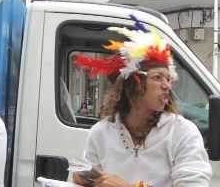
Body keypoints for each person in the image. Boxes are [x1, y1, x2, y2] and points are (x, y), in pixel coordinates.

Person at [72, 16, 212, 187]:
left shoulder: (182, 132)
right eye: (157, 77)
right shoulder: (100, 132)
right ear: (133, 84)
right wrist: (85, 182)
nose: (167, 85)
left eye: (168, 79)